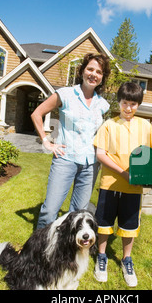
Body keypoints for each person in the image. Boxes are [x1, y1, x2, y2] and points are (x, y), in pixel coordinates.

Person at [93, 82, 152, 287]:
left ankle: (127, 259)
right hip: (110, 184)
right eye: (125, 103)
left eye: (133, 104)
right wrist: (123, 173)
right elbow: (100, 154)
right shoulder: (109, 125)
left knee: (130, 225)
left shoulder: (145, 126)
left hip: (134, 187)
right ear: (119, 102)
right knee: (104, 223)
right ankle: (102, 256)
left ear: (138, 105)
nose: (128, 108)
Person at [31, 53, 111, 230]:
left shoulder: (103, 104)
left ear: (102, 77)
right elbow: (36, 114)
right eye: (90, 69)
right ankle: (38, 251)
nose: (93, 74)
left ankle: (66, 252)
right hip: (65, 159)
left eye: (99, 72)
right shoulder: (65, 94)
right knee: (50, 210)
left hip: (91, 164)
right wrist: (46, 141)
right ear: (82, 71)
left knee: (78, 213)